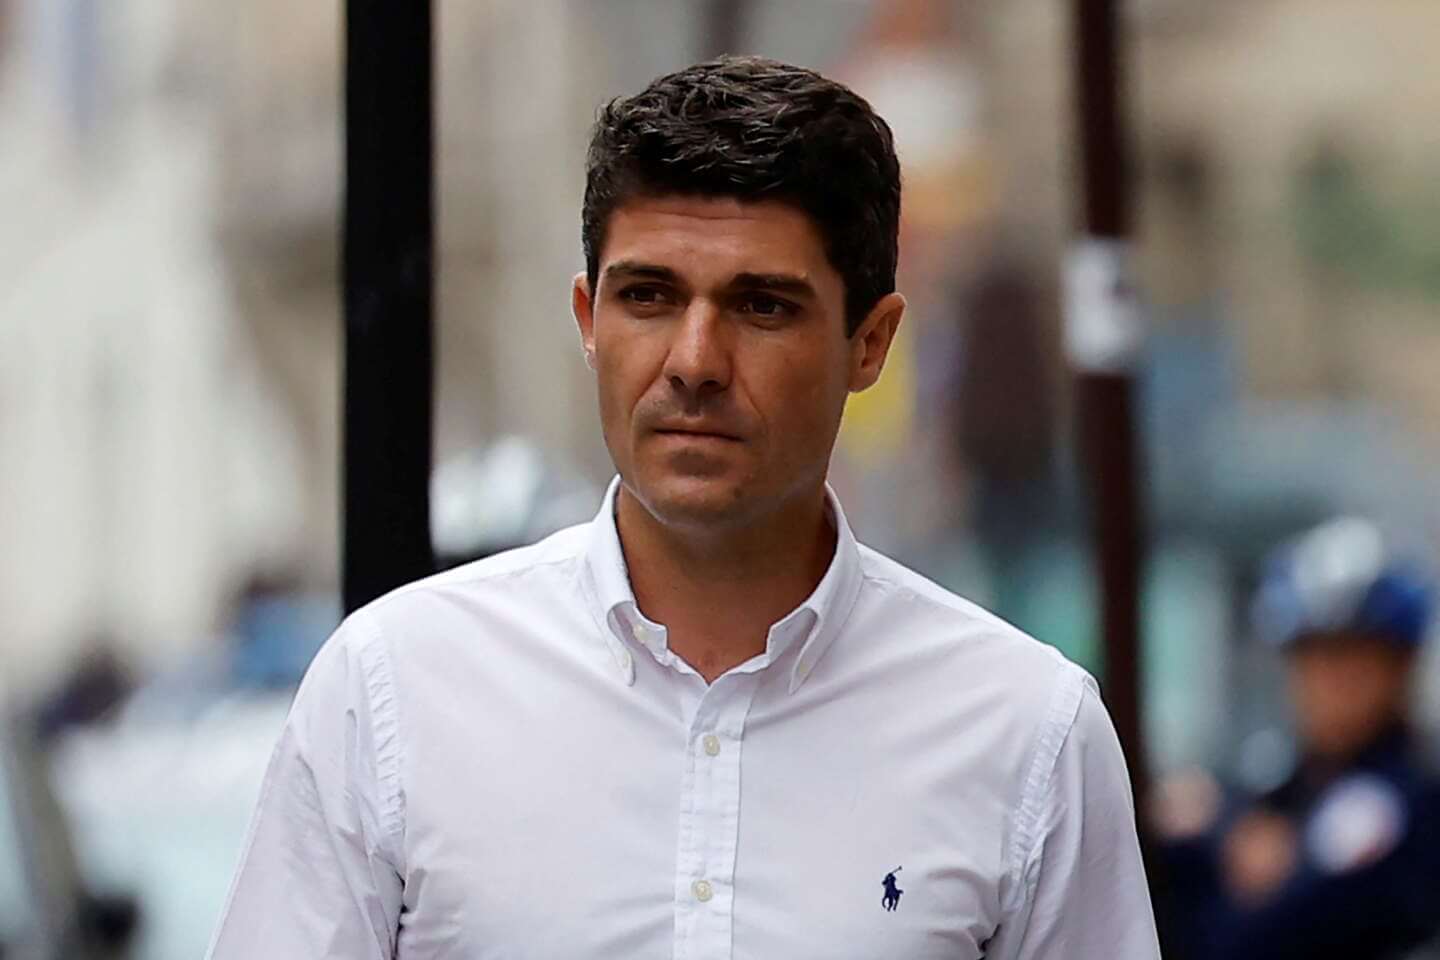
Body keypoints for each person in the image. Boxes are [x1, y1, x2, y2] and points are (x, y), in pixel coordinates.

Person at [207, 56, 1159, 959]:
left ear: (870, 344)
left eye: (762, 306)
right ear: (588, 319)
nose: (695, 362)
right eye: (649, 296)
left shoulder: (1025, 732)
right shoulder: (391, 691)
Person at [1152, 517, 1440, 960]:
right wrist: (1216, 830)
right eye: (1312, 656)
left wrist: (1221, 839)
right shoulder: (1274, 774)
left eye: (1353, 656)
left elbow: (1272, 932)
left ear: (1400, 668)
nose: (1331, 682)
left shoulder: (1411, 796)